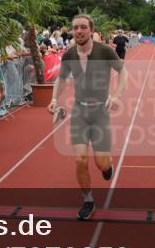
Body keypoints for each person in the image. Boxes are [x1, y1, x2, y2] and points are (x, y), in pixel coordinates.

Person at [48, 14, 128, 220]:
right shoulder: (69, 54)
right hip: (79, 112)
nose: (79, 31)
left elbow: (123, 73)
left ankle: (107, 165)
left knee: (101, 164)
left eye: (83, 27)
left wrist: (117, 96)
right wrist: (54, 99)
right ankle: (88, 200)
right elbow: (61, 79)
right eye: (75, 28)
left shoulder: (105, 51)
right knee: (80, 160)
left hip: (100, 112)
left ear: (91, 30)